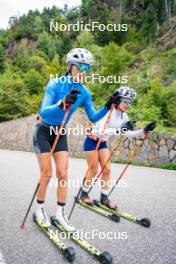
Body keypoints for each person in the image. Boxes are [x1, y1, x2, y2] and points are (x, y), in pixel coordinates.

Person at [33, 48, 122, 231]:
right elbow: (43, 111)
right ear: (70, 66)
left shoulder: (84, 93)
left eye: (87, 68)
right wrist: (63, 103)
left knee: (63, 174)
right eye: (81, 67)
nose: (84, 71)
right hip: (43, 131)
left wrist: (108, 105)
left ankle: (60, 214)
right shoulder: (55, 84)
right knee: (47, 174)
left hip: (60, 132)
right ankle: (39, 210)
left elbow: (94, 117)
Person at [80, 86, 156, 209]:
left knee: (107, 170)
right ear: (118, 100)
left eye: (130, 102)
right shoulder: (107, 111)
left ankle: (104, 197)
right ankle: (83, 193)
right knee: (93, 169)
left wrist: (144, 131)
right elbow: (101, 130)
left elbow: (125, 134)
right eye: (125, 101)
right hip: (92, 141)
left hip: (103, 143)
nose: (128, 104)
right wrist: (120, 129)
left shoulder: (124, 117)